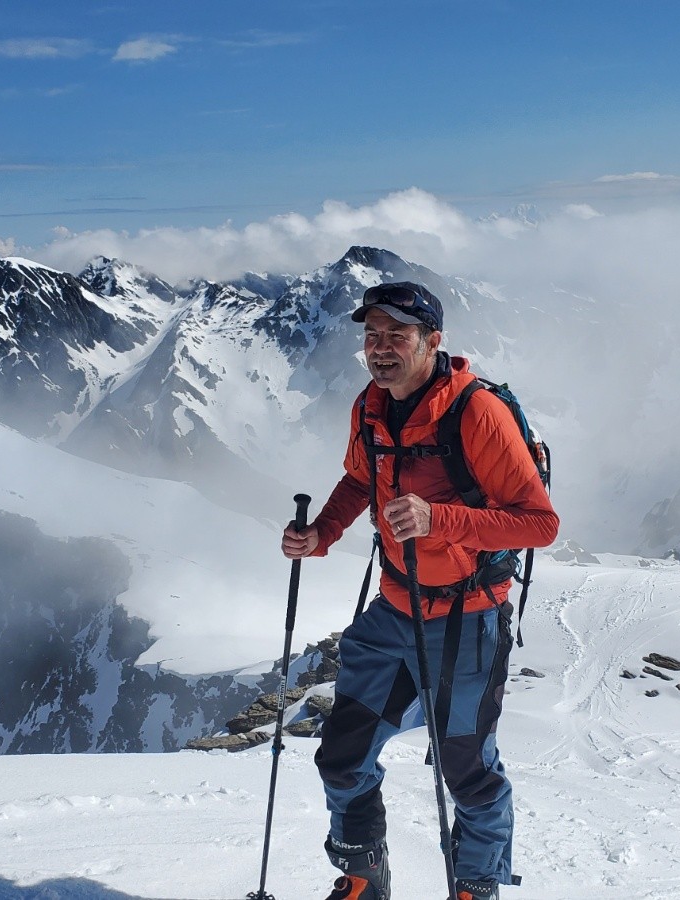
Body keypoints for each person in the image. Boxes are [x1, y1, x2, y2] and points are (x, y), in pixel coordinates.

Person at [282, 281, 559, 900]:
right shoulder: (370, 406)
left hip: (468, 620)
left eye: (396, 336)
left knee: (467, 771)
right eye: (371, 336)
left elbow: (540, 523)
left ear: (433, 341)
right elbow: (360, 479)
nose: (380, 349)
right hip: (393, 612)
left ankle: (476, 887)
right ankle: (362, 877)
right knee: (344, 755)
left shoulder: (477, 413)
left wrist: (442, 519)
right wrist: (320, 533)